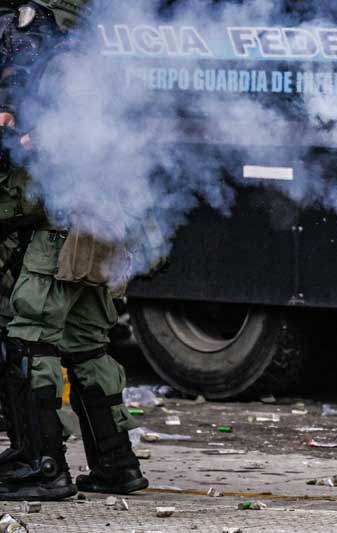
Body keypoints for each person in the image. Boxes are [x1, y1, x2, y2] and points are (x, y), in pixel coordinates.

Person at [0, 1, 148, 500]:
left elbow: (61, 141)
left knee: (28, 336)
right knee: (86, 344)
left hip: (68, 221)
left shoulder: (66, 66)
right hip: (102, 218)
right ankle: (117, 465)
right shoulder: (97, 57)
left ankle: (41, 465)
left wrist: (25, 135)